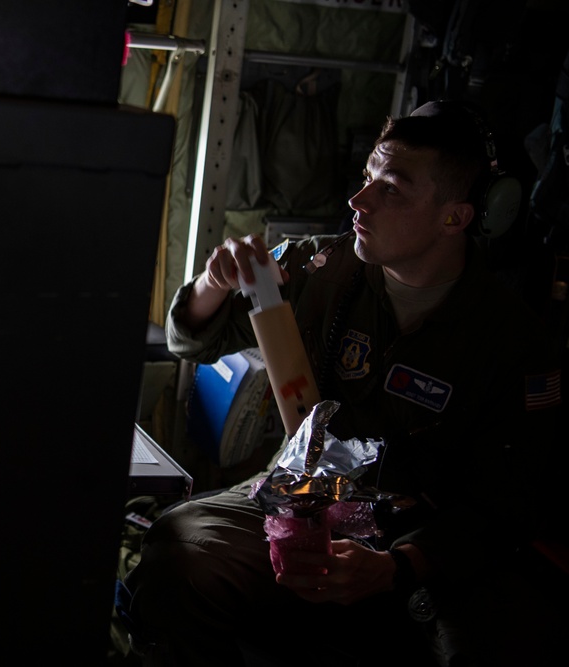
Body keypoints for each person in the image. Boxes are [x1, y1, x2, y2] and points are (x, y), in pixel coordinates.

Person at [118, 100, 564, 667]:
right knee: (181, 549)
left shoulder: (513, 341)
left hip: (418, 537)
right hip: (300, 501)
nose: (359, 201)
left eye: (392, 190)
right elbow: (191, 341)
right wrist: (214, 279)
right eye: (367, 178)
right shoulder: (320, 268)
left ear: (455, 217)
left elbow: (505, 506)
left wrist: (397, 567)